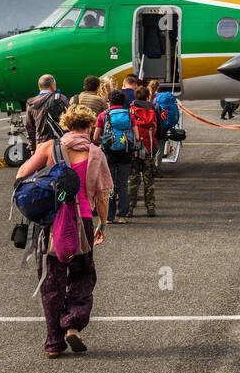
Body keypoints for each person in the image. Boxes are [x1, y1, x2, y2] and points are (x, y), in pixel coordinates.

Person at [17, 106, 110, 358]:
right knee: (83, 275)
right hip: (82, 221)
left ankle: (53, 343)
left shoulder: (49, 148)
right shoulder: (96, 153)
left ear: (67, 125)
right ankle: (72, 324)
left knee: (51, 281)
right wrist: (102, 223)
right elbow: (102, 195)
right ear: (89, 126)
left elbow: (22, 174)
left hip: (50, 223)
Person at [93, 90, 137, 223]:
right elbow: (137, 136)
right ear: (123, 102)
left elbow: (95, 137)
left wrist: (107, 141)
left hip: (109, 154)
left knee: (109, 185)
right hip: (126, 153)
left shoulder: (103, 115)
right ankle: (122, 216)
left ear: (109, 102)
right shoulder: (129, 115)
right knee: (123, 184)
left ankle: (109, 216)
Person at [127, 86, 159, 218]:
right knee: (149, 180)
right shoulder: (153, 110)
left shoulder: (131, 110)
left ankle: (130, 208)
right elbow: (158, 129)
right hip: (148, 149)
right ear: (148, 97)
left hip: (134, 148)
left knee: (133, 179)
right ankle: (150, 207)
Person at [24, 74, 69, 147]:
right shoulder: (61, 99)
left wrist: (32, 147)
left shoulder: (31, 104)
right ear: (52, 85)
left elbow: (29, 128)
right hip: (62, 142)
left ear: (40, 87)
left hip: (42, 144)